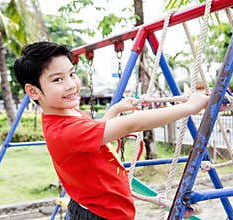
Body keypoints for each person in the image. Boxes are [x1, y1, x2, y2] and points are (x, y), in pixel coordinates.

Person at [14, 41, 209, 220]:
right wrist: (189, 108)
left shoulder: (67, 113)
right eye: (57, 80)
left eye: (71, 74)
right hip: (100, 214)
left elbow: (94, 134)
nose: (71, 85)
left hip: (96, 207)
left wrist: (114, 110)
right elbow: (132, 124)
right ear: (33, 91)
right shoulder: (64, 131)